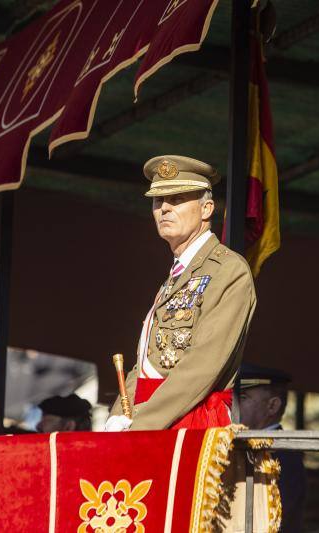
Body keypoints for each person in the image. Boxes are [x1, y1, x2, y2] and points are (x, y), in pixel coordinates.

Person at [106, 155, 257, 431]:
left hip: (191, 423)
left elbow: (202, 366)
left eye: (176, 200)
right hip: (152, 422)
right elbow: (144, 363)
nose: (164, 209)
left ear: (207, 208)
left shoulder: (228, 270)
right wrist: (119, 414)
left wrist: (141, 424)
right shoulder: (174, 277)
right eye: (157, 201)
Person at [239, 364, 306, 533]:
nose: (234, 404)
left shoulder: (284, 454)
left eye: (243, 397)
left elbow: (278, 520)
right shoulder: (243, 444)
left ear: (272, 406)